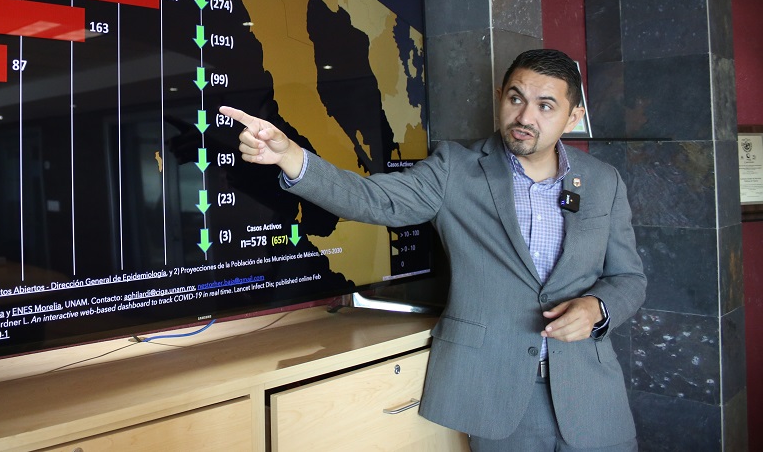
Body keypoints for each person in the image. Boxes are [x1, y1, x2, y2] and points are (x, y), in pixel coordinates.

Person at [220, 49, 645, 452]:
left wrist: (597, 308)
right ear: (500, 96)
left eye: (545, 106)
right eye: (516, 98)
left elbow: (628, 278)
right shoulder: (455, 168)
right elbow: (374, 200)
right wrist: (291, 156)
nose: (524, 117)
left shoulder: (603, 181)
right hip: (497, 396)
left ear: (574, 117)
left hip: (592, 394)